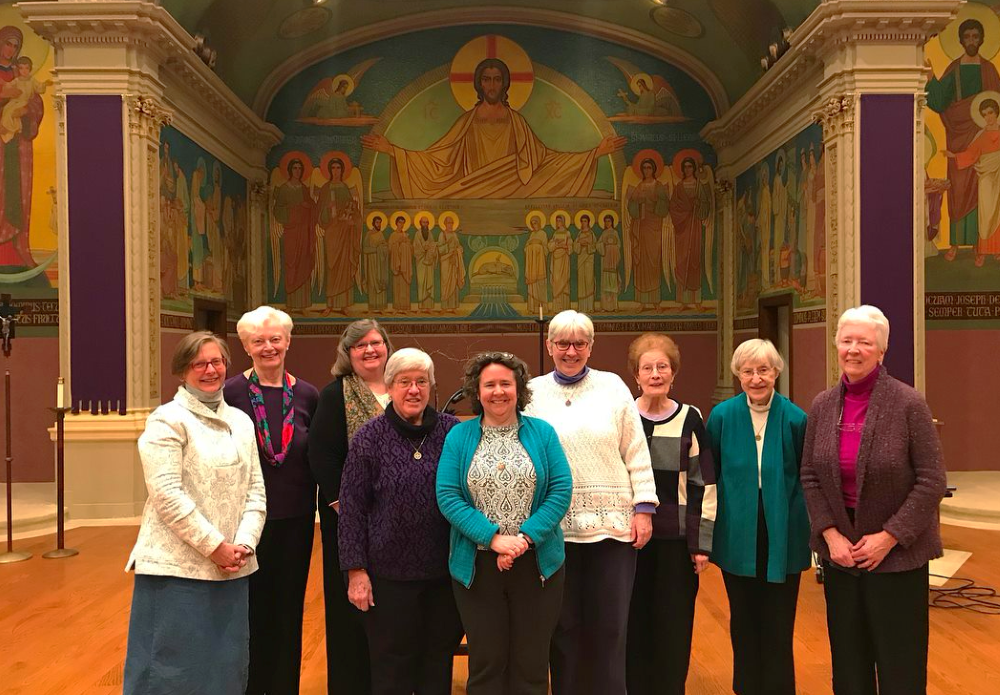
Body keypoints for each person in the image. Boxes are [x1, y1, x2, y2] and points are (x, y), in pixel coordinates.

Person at [800, 306, 946, 695]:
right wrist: (830, 536)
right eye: (846, 341)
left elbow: (932, 481)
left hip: (897, 557)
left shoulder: (908, 403)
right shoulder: (822, 405)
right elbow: (810, 476)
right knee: (849, 666)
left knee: (900, 666)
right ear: (837, 347)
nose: (853, 350)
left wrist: (889, 536)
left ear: (881, 351)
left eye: (864, 342)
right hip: (842, 557)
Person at [523, 309, 658, 695]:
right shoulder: (532, 393)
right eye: (563, 343)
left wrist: (644, 508)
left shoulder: (613, 386)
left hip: (613, 527)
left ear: (591, 346)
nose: (571, 350)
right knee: (562, 626)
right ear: (549, 346)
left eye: (580, 343)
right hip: (554, 528)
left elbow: (636, 449)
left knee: (610, 625)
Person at [123, 331, 266, 695]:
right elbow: (167, 495)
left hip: (232, 566)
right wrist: (214, 546)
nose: (210, 369)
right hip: (178, 569)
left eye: (217, 361)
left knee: (225, 666)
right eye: (199, 363)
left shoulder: (241, 421)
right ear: (182, 370)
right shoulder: (166, 420)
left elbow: (256, 491)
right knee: (170, 669)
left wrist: (244, 545)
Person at [437, 352, 573, 694]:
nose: (498, 392)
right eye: (489, 385)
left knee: (531, 663)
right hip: (477, 566)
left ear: (518, 389)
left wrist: (524, 539)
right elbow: (448, 496)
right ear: (477, 390)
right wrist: (493, 538)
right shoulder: (459, 436)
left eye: (506, 384)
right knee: (486, 662)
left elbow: (560, 490)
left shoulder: (542, 433)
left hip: (537, 564)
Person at [338, 349, 464, 695]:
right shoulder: (369, 437)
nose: (413, 390)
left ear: (432, 387)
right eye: (404, 382)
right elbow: (351, 507)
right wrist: (355, 570)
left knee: (437, 661)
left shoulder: (453, 433)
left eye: (421, 381)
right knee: (391, 666)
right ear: (390, 387)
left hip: (444, 574)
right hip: (387, 577)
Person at [361, 57, 625, 199]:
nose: (491, 85)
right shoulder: (467, 120)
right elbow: (438, 158)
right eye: (486, 80)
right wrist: (393, 151)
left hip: (513, 184)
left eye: (497, 80)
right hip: (471, 187)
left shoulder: (517, 121)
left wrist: (595, 153)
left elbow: (545, 160)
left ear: (505, 84)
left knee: (544, 178)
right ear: (478, 84)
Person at [705, 338, 810, 695]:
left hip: (783, 530)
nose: (756, 378)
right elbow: (711, 473)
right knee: (744, 618)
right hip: (738, 530)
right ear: (738, 375)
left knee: (779, 620)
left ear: (776, 372)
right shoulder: (722, 416)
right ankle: (746, 687)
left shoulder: (796, 418)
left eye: (763, 370)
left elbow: (805, 476)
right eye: (748, 371)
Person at [223, 307, 319, 695]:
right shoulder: (229, 392)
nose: (268, 347)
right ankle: (249, 686)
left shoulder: (309, 394)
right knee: (248, 610)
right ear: (246, 346)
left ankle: (284, 687)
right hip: (244, 519)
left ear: (288, 342)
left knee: (288, 608)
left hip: (296, 517)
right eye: (258, 341)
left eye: (275, 339)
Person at [625, 333, 716, 695]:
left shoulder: (690, 419)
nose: (655, 373)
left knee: (673, 624)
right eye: (647, 367)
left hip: (675, 541)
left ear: (673, 372)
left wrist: (701, 544)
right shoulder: (623, 416)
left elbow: (704, 484)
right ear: (636, 375)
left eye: (662, 366)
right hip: (629, 540)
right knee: (632, 622)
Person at [308, 319, 394, 695]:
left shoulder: (405, 386)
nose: (370, 350)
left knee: (393, 602)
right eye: (360, 345)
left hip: (399, 522)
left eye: (376, 342)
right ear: (348, 353)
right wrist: (348, 509)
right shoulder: (335, 394)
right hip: (348, 519)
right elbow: (322, 456)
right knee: (351, 605)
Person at [927, 18, 1000, 260]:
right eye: (967, 37)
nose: (971, 41)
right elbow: (939, 101)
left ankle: (982, 245)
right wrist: (930, 79)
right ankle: (956, 243)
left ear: (981, 40)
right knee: (958, 188)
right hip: (958, 136)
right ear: (960, 40)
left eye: (975, 37)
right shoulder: (954, 69)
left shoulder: (989, 69)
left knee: (985, 192)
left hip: (985, 140)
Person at [0, 25, 44, 270]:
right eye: (7, 43)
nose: (10, 50)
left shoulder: (23, 76)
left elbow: (36, 103)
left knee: (17, 189)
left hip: (18, 144)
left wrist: (28, 110)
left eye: (15, 46)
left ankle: (16, 250)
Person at [944, 98, 1000, 265]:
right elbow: (971, 154)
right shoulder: (981, 135)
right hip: (986, 178)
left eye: (990, 112)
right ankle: (982, 252)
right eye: (985, 115)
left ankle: (997, 250)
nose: (988, 117)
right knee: (985, 214)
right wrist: (954, 156)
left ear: (996, 112)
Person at [316, 157, 361, 312]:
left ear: (342, 170)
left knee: (345, 266)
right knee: (332, 265)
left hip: (345, 233)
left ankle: (343, 304)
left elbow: (353, 211)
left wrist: (351, 221)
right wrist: (328, 209)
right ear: (330, 170)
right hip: (332, 232)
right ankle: (330, 304)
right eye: (333, 168)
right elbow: (319, 214)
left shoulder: (345, 188)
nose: (336, 170)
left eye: (338, 168)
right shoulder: (325, 189)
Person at [272, 158, 317, 310]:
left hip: (304, 232)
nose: (297, 171)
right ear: (290, 170)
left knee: (303, 263)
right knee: (291, 263)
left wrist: (309, 206)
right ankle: (291, 303)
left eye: (299, 168)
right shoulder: (284, 189)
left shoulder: (303, 189)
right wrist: (296, 208)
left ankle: (303, 304)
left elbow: (312, 206)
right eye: (295, 168)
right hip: (291, 231)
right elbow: (278, 210)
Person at [626, 158, 670, 310]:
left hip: (654, 226)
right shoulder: (639, 186)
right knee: (641, 264)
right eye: (644, 168)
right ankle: (643, 302)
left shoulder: (658, 186)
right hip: (641, 226)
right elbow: (631, 205)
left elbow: (664, 205)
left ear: (654, 169)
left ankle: (655, 302)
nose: (646, 170)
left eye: (649, 168)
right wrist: (636, 201)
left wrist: (650, 200)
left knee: (653, 262)